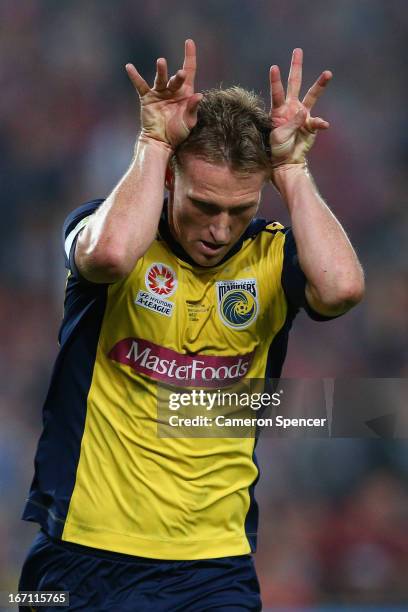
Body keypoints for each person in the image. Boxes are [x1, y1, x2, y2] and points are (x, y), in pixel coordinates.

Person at [19, 40, 364, 611]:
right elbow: (107, 257)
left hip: (213, 567)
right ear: (172, 181)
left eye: (240, 211)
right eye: (205, 207)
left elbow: (342, 289)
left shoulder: (273, 258)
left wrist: (294, 170)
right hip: (77, 552)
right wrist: (155, 141)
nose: (220, 229)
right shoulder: (112, 231)